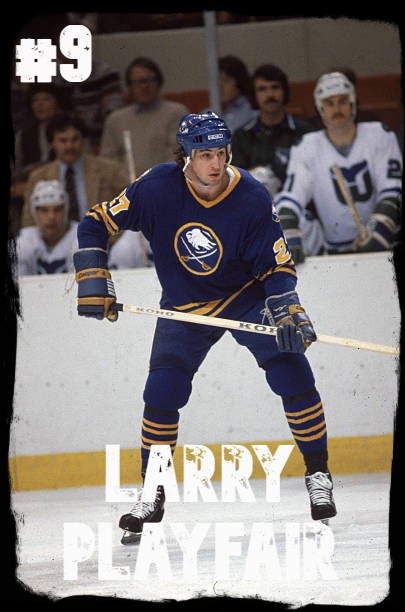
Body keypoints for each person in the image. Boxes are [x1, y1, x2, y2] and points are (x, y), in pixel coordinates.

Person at [72, 111, 337, 545]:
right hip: (186, 306)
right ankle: (151, 492)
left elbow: (276, 265)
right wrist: (94, 274)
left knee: (292, 371)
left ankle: (319, 473)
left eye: (220, 153)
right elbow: (94, 222)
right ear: (186, 157)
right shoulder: (156, 186)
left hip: (245, 297)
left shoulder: (250, 195)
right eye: (203, 154)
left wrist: (286, 305)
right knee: (162, 392)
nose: (214, 163)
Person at [274, 71, 402, 260]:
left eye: (342, 101)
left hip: (386, 244)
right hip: (335, 252)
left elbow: (393, 191)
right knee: (279, 208)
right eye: (329, 103)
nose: (337, 109)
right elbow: (291, 200)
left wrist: (379, 235)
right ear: (320, 109)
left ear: (352, 104)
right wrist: (290, 237)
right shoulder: (307, 147)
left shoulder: (380, 135)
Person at [230, 64, 322, 262]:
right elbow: (233, 183)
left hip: (302, 216)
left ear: (284, 91)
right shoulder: (241, 136)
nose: (270, 94)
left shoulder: (305, 132)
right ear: (253, 95)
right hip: (255, 218)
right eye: (262, 89)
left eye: (275, 88)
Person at [21, 112, 130, 227]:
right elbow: (29, 223)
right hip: (55, 243)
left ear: (83, 140)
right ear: (52, 144)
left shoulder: (109, 170)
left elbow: (131, 206)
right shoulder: (38, 177)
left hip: (104, 240)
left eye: (75, 139)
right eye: (63, 141)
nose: (69, 146)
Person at [100, 56, 189, 177]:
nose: (144, 86)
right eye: (138, 82)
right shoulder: (115, 120)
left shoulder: (177, 113)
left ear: (159, 83)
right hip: (127, 189)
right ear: (129, 87)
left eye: (150, 80)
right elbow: (108, 162)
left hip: (167, 184)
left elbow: (181, 156)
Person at [11, 83, 65, 234]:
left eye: (46, 99)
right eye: (35, 101)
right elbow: (15, 172)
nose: (40, 105)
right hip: (27, 199)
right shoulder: (22, 136)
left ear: (56, 102)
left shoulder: (70, 131)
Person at [16, 180, 78, 275]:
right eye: (44, 210)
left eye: (57, 210)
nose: (51, 217)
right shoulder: (24, 240)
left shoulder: (81, 237)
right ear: (34, 212)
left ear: (66, 210)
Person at [215, 55, 257, 132]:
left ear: (239, 82)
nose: (219, 86)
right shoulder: (206, 114)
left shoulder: (251, 113)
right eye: (217, 81)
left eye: (226, 80)